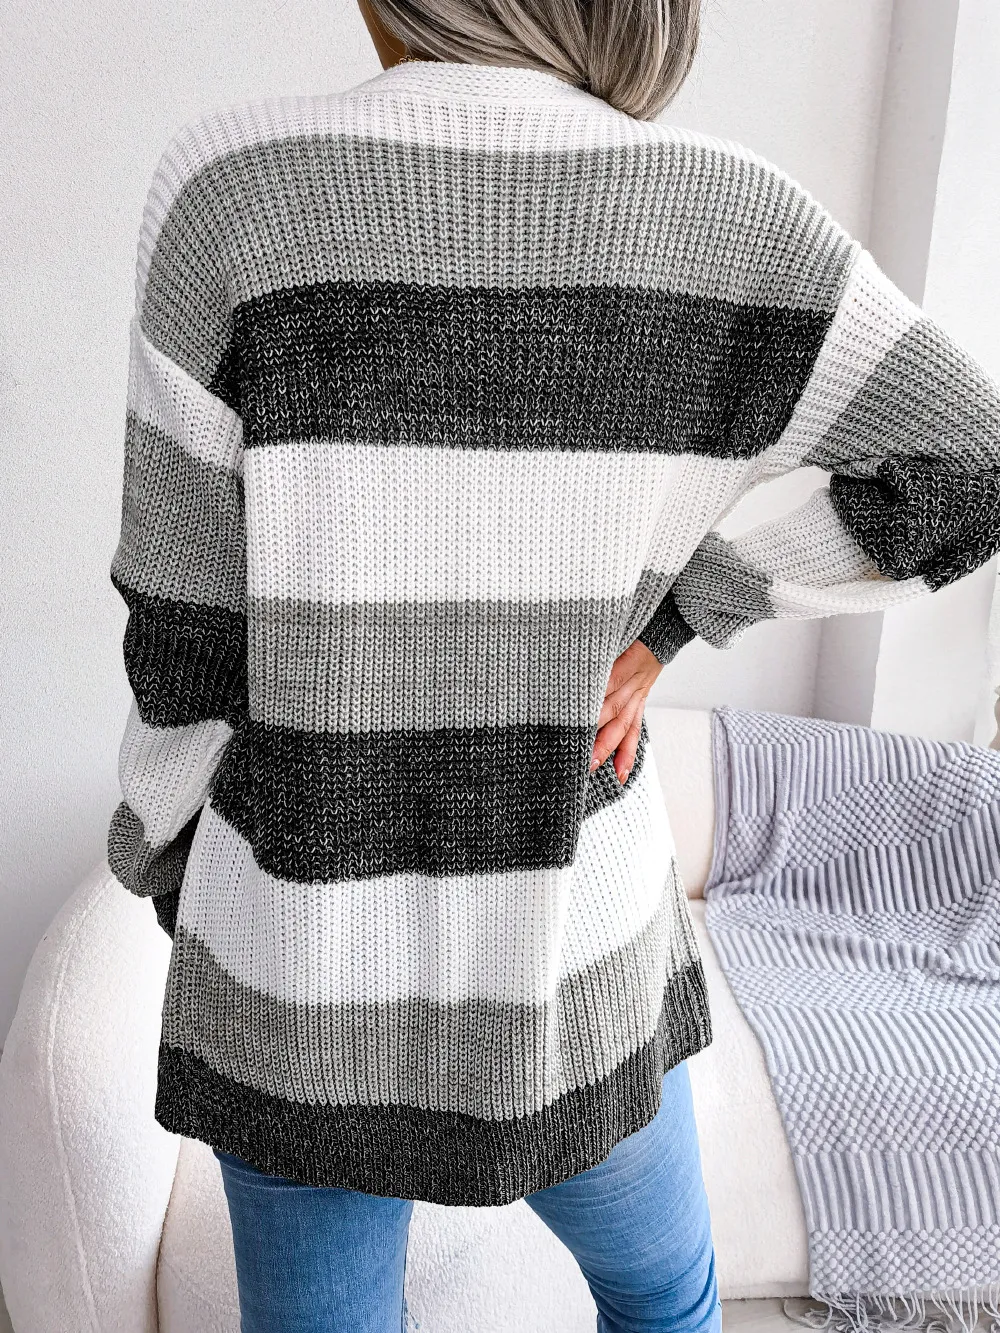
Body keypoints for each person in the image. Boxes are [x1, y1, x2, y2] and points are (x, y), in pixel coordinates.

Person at [105, 0, 1000, 1329]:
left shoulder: (233, 190)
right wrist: (681, 618)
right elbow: (971, 464)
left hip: (299, 951)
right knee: (668, 1305)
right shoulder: (731, 214)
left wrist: (161, 858)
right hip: (580, 947)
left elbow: (182, 635)